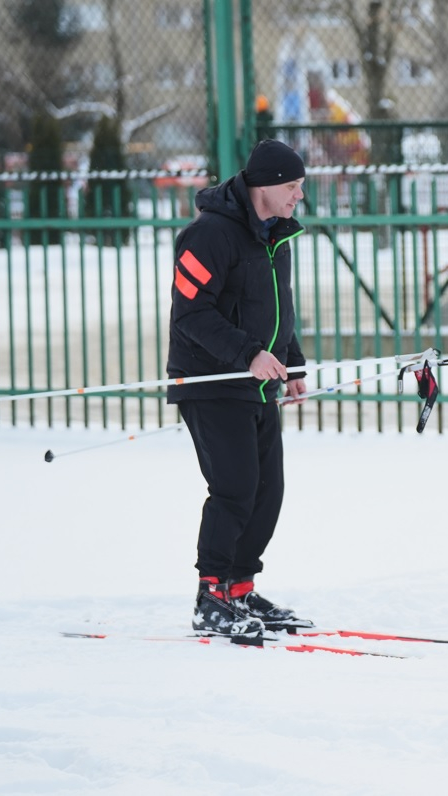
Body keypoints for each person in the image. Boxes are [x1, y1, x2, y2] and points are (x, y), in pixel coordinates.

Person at [167, 139, 313, 638]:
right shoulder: (210, 235)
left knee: (268, 490)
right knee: (234, 489)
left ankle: (239, 589)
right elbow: (191, 313)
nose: (299, 197)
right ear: (267, 186)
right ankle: (210, 596)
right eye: (293, 187)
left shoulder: (276, 236)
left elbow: (278, 307)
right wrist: (247, 353)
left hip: (256, 386)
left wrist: (292, 365)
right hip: (210, 382)